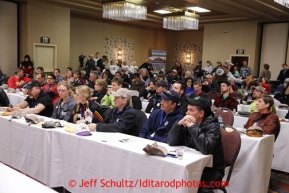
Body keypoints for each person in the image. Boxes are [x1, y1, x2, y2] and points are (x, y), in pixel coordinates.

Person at [167, 96, 225, 193]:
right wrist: (179, 125)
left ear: (201, 113)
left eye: (190, 110)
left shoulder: (213, 126)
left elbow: (206, 148)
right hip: (189, 164)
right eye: (187, 110)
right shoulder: (187, 122)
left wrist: (193, 127)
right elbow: (171, 142)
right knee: (169, 177)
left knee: (199, 188)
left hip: (211, 169)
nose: (186, 113)